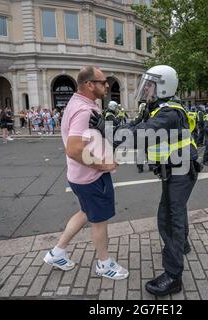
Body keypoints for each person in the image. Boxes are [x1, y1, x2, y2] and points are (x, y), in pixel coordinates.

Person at [90, 65, 201, 296]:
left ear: (163, 87)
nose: (146, 89)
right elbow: (134, 126)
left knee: (169, 219)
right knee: (175, 213)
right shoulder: (156, 108)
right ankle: (182, 245)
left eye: (150, 85)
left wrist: (106, 130)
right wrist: (108, 128)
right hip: (173, 169)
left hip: (180, 171)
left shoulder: (170, 113)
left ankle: (173, 276)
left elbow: (142, 135)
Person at [43, 66, 128, 281]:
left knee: (84, 213)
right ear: (90, 84)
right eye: (102, 82)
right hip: (91, 177)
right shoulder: (84, 110)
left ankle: (57, 253)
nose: (107, 85)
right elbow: (73, 149)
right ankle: (104, 264)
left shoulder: (78, 103)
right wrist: (103, 165)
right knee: (99, 221)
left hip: (79, 176)